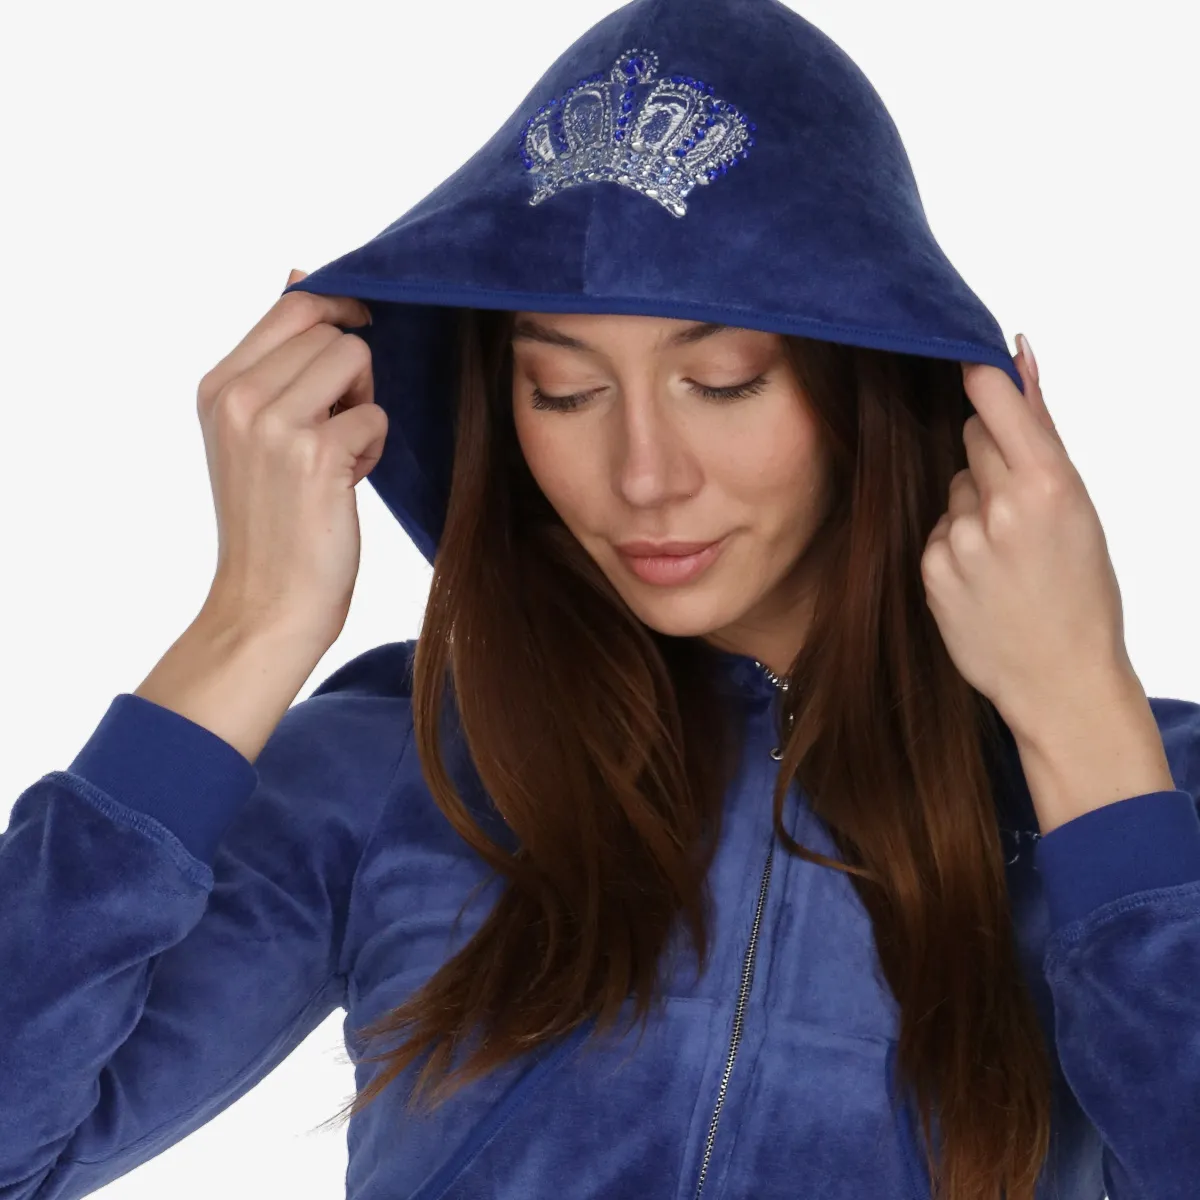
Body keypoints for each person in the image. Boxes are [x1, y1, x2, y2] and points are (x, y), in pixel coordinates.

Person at [3, 2, 1199, 1198]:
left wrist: (1081, 723)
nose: (644, 477)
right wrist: (250, 620)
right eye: (564, 391)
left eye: (722, 382)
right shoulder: (403, 764)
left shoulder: (1140, 802)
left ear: (873, 383)